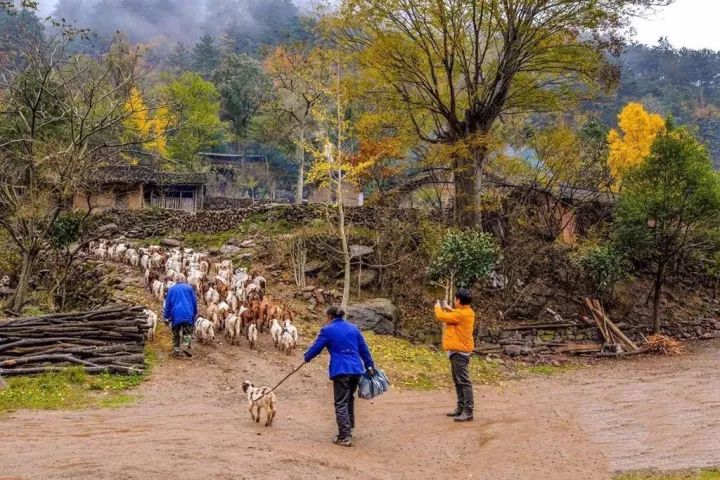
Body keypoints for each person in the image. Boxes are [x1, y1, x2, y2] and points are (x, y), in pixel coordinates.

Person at [304, 305, 375, 447]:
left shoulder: (328, 330)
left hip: (341, 370)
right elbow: (363, 349)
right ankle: (349, 429)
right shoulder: (354, 329)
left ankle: (344, 436)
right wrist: (369, 365)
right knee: (349, 399)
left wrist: (307, 357)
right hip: (356, 370)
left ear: (329, 316)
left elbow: (317, 347)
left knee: (341, 402)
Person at [434, 288, 475, 422]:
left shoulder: (461, 314)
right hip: (457, 351)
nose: (454, 301)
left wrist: (438, 308)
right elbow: (456, 313)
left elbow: (442, 317)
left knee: (463, 381)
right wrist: (448, 308)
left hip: (459, 352)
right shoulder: (466, 311)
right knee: (458, 381)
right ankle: (461, 408)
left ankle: (468, 411)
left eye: (455, 299)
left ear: (459, 300)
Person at [163, 279, 198, 357]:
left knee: (176, 333)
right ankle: (185, 346)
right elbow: (194, 301)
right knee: (187, 331)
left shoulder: (171, 289)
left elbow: (168, 304)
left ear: (176, 280)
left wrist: (166, 317)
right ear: (183, 280)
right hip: (188, 314)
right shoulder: (189, 288)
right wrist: (195, 313)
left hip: (176, 315)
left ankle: (176, 349)